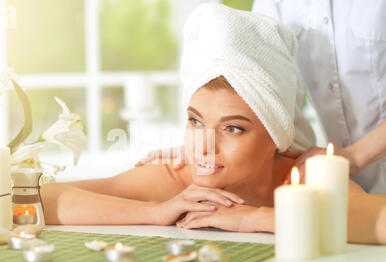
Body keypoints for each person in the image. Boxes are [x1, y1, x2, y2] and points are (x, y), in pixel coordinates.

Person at [41, 3, 386, 245]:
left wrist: (255, 219)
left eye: (233, 128)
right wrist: (156, 212)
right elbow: (38, 198)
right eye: (195, 121)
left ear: (276, 137)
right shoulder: (179, 181)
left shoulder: (305, 178)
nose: (205, 146)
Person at [138, 0, 386, 194]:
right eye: (194, 121)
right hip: (340, 180)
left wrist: (356, 155)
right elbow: (266, 101)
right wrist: (203, 149)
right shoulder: (276, 5)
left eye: (232, 128)